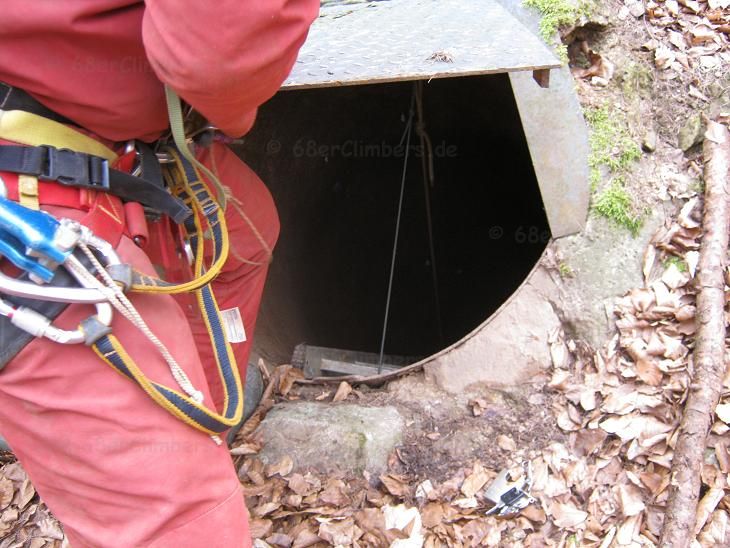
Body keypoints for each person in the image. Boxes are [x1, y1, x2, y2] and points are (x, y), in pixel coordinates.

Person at [0, 1, 319, 546]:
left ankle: (201, 415)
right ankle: (173, 470)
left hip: (99, 133)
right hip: (32, 181)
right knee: (179, 529)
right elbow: (220, 55)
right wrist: (220, 109)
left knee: (242, 235)